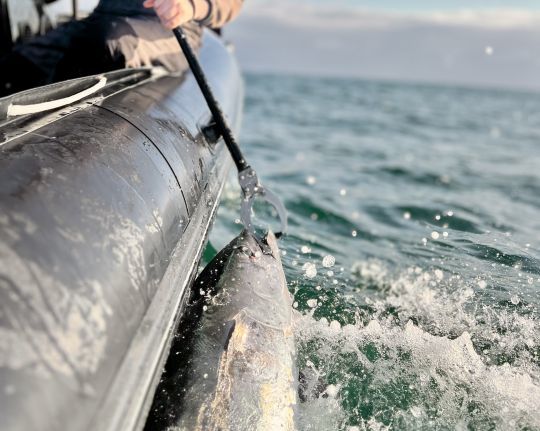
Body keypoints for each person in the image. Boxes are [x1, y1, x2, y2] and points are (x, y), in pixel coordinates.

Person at [0, 0, 243, 97]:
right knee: (18, 64)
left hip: (171, 27)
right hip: (102, 18)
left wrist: (190, 5)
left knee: (107, 46)